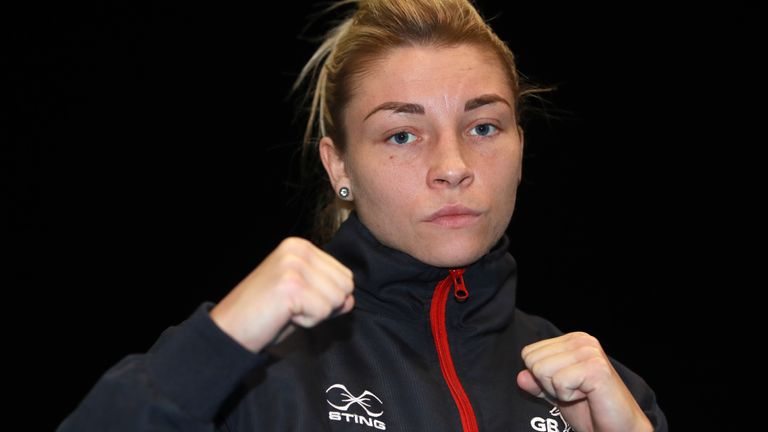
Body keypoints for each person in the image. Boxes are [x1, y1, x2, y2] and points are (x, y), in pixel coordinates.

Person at [57, 0, 667, 430]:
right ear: (338, 166)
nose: (452, 165)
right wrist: (220, 341)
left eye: (483, 126)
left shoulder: (601, 389)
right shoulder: (255, 371)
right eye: (402, 134)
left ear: (521, 147)